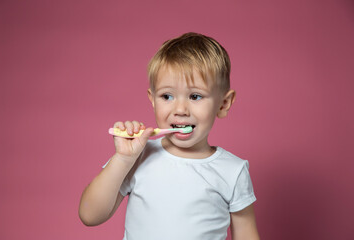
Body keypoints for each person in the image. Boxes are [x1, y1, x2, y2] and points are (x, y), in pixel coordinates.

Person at [79, 32, 260, 240]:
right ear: (153, 100)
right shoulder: (138, 157)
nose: (180, 109)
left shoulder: (233, 171)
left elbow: (246, 234)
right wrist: (123, 159)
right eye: (167, 96)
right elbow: (89, 215)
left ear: (223, 104)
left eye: (195, 96)